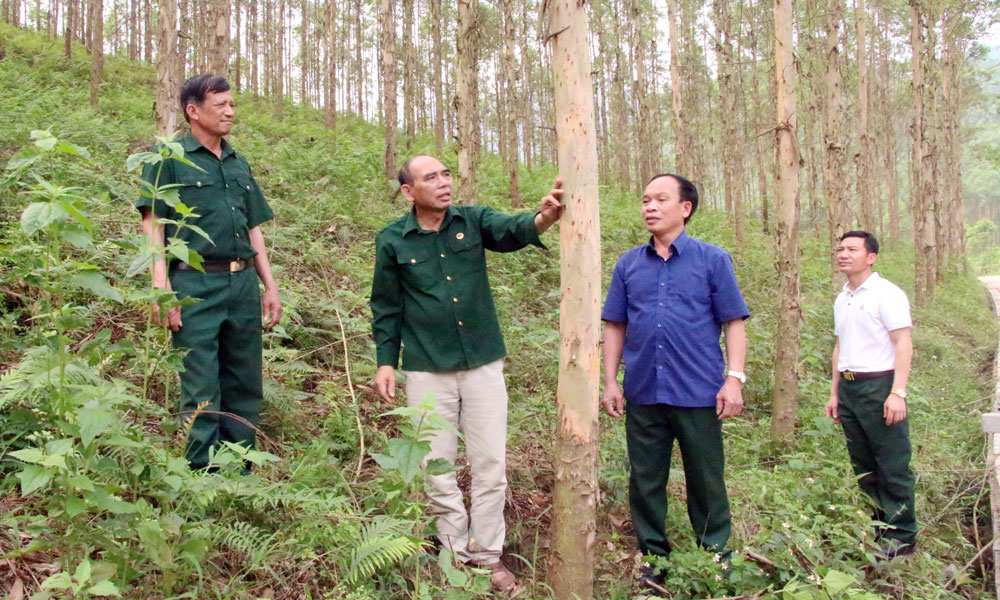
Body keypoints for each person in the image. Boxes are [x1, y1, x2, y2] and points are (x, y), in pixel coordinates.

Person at [370, 155, 562, 592]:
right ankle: (453, 554)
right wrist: (386, 361)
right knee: (436, 467)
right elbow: (386, 305)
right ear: (408, 191)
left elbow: (514, 229)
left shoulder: (473, 221)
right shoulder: (393, 241)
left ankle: (488, 557)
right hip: (425, 369)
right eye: (430, 177)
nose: (443, 183)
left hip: (482, 364)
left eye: (445, 174)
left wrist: (543, 217)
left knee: (490, 464)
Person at [601, 173, 748, 590]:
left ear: (685, 208)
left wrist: (733, 379)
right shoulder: (628, 264)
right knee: (646, 480)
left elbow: (733, 322)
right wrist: (610, 381)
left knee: (706, 477)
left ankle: (716, 558)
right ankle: (653, 561)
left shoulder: (711, 260)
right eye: (645, 199)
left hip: (698, 391)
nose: (649, 206)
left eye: (660, 199)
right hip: (644, 391)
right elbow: (615, 325)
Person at [136, 74, 281, 470]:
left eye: (232, 104)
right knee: (200, 386)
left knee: (244, 383)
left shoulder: (238, 162)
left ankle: (239, 473)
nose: (230, 112)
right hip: (193, 284)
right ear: (193, 111)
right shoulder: (168, 158)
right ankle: (202, 479)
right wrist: (162, 287)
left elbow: (253, 227)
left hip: (242, 285)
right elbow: (154, 226)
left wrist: (268, 284)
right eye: (221, 105)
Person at [826, 230, 916, 558]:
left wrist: (898, 393)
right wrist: (835, 392)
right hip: (849, 387)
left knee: (892, 462)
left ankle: (903, 535)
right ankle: (879, 529)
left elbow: (902, 343)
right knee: (862, 463)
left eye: (852, 249)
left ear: (871, 257)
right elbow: (840, 346)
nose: (843, 254)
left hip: (879, 386)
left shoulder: (886, 294)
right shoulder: (843, 297)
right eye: (840, 249)